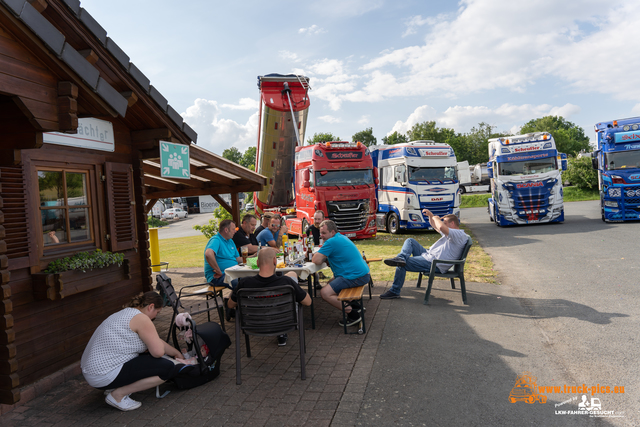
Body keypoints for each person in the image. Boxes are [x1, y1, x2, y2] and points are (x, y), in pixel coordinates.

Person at [81, 291, 186, 411]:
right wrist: (173, 357)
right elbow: (158, 352)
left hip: (92, 373)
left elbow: (154, 340)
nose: (156, 317)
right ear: (151, 307)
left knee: (146, 357)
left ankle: (113, 387)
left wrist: (176, 353)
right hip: (103, 374)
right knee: (167, 368)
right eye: (157, 312)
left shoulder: (125, 313)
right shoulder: (142, 319)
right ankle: (118, 395)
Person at [228, 247, 311, 346]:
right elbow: (308, 302)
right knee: (292, 277)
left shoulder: (244, 283)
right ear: (275, 261)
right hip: (284, 322)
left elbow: (230, 305)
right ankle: (281, 335)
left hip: (253, 324)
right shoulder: (287, 283)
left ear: (258, 263)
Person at [381, 209, 469, 299]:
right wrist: (431, 216)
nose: (443, 223)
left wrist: (437, 219)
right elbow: (436, 227)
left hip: (435, 263)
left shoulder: (458, 234)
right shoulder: (453, 234)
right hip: (429, 256)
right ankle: (401, 257)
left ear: (452, 223)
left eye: (445, 222)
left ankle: (394, 291)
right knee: (410, 241)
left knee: (401, 264)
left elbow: (441, 227)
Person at [311, 220, 370, 327]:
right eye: (321, 233)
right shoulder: (340, 237)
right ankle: (355, 306)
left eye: (324, 233)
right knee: (330, 283)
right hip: (361, 273)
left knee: (325, 293)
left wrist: (322, 257)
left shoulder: (331, 242)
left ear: (332, 232)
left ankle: (353, 315)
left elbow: (315, 260)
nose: (321, 236)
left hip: (356, 276)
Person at [204, 219, 242, 287]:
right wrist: (218, 271)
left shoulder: (230, 240)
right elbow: (208, 254)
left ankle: (232, 297)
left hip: (232, 273)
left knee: (250, 279)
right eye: (233, 229)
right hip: (218, 277)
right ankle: (235, 297)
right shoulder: (216, 240)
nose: (235, 231)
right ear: (226, 230)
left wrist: (252, 258)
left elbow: (237, 259)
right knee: (242, 283)